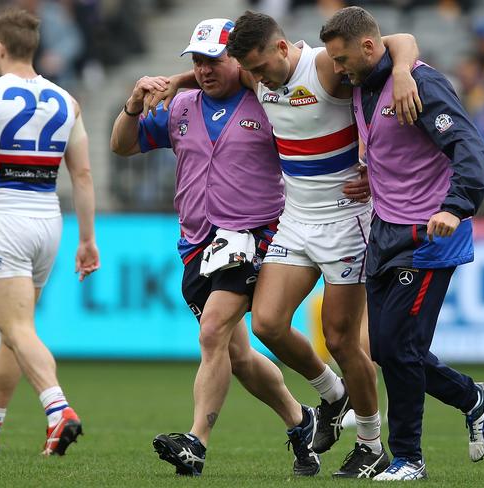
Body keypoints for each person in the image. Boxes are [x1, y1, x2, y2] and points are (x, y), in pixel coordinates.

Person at [110, 18, 323, 477]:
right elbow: (122, 147)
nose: (205, 69)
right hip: (197, 246)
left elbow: (295, 73)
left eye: (215, 59)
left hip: (253, 236)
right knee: (236, 356)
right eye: (197, 61)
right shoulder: (182, 107)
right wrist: (132, 105)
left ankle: (196, 442)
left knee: (211, 333)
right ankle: (300, 420)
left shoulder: (266, 100)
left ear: (240, 60)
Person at [222, 11, 422, 478]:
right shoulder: (256, 76)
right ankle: (333, 395)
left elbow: (401, 38)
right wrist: (172, 80)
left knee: (339, 338)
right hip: (295, 219)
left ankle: (372, 444)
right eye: (248, 70)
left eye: (260, 67)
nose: (255, 79)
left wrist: (402, 71)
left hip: (345, 220)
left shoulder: (324, 66)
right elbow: (212, 72)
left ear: (282, 46)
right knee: (267, 323)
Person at [320, 6, 484, 480]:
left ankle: (408, 459)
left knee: (398, 349)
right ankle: (471, 397)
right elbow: (399, 144)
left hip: (426, 235)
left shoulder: (420, 84)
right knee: (387, 349)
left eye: (341, 60)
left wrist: (455, 206)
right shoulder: (370, 82)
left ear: (366, 47)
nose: (336, 70)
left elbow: (470, 148)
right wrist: (372, 177)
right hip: (386, 230)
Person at [0, 8, 99, 455]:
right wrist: (87, 239)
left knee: (16, 329)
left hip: (5, 216)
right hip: (48, 221)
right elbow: (83, 175)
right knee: (13, 332)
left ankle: (58, 410)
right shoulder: (66, 100)